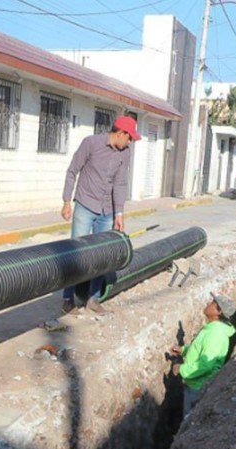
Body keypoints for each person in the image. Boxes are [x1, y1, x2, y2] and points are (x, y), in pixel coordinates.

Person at [60, 116, 141, 315]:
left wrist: (119, 213)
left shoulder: (125, 153)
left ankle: (93, 299)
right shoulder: (91, 143)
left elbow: (120, 183)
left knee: (103, 255)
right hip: (85, 205)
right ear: (120, 133)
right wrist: (66, 201)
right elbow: (72, 171)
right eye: (129, 137)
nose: (130, 142)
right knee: (76, 253)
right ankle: (68, 299)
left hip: (107, 211)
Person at [171, 292, 236, 417]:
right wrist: (183, 350)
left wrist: (181, 369)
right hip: (196, 384)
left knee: (189, 419)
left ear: (218, 312)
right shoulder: (212, 329)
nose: (208, 304)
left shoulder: (215, 334)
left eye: (212, 303)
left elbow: (206, 364)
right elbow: (201, 349)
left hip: (198, 387)